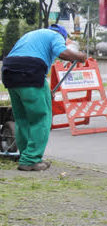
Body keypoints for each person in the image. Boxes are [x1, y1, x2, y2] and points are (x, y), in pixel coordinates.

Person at [1, 24, 87, 171]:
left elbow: (28, 57)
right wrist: (80, 56)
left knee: (22, 119)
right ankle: (31, 159)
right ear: (63, 36)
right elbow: (63, 53)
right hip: (29, 71)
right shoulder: (55, 36)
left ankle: (25, 156)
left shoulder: (31, 35)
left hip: (10, 71)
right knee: (41, 117)